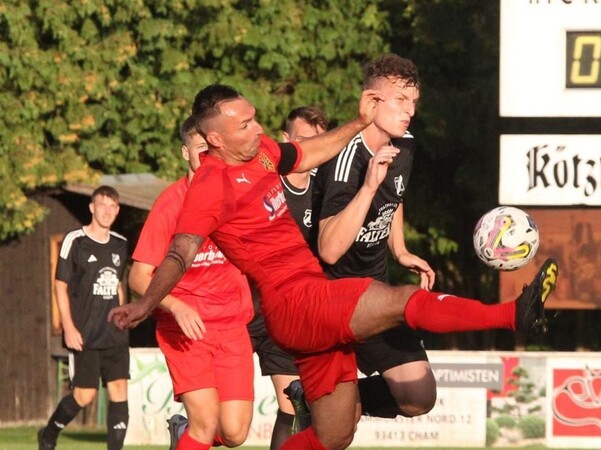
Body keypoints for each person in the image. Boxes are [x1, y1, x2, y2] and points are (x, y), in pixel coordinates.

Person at [108, 83, 558, 450]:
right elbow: (179, 253)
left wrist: (360, 123)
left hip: (305, 301)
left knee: (334, 435)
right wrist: (148, 302)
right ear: (215, 139)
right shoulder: (208, 187)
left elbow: (309, 153)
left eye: (254, 117)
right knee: (400, 299)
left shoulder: (259, 151)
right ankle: (511, 316)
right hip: (294, 301)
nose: (257, 127)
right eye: (244, 124)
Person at [313, 54, 436, 419]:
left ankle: (321, 401)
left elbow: (394, 195)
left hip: (374, 290)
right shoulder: (344, 157)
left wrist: (399, 249)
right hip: (332, 299)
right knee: (333, 432)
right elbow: (329, 250)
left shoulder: (406, 143)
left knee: (419, 395)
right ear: (371, 101)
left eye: (413, 102)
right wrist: (367, 187)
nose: (409, 111)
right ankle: (323, 405)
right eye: (400, 100)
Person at [127, 116, 255, 450]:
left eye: (214, 149)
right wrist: (176, 306)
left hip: (232, 327)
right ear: (186, 153)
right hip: (186, 331)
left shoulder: (237, 196)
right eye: (201, 150)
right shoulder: (171, 203)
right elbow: (139, 277)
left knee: (235, 434)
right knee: (205, 421)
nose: (209, 157)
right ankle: (192, 432)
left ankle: (182, 432)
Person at [246, 106, 329, 448]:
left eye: (319, 141)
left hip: (289, 313)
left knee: (292, 405)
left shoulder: (326, 192)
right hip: (244, 307)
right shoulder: (264, 185)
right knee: (225, 422)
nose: (312, 149)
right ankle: (187, 432)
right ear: (286, 141)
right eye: (304, 140)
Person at [39, 186, 129, 450]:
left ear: (118, 210)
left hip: (114, 334)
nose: (107, 211)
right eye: (102, 205)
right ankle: (49, 433)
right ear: (92, 207)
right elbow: (60, 286)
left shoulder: (120, 244)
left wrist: (123, 316)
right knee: (84, 395)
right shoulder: (75, 240)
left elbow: (117, 285)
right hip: (84, 333)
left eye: (113, 206)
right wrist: (68, 327)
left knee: (119, 392)